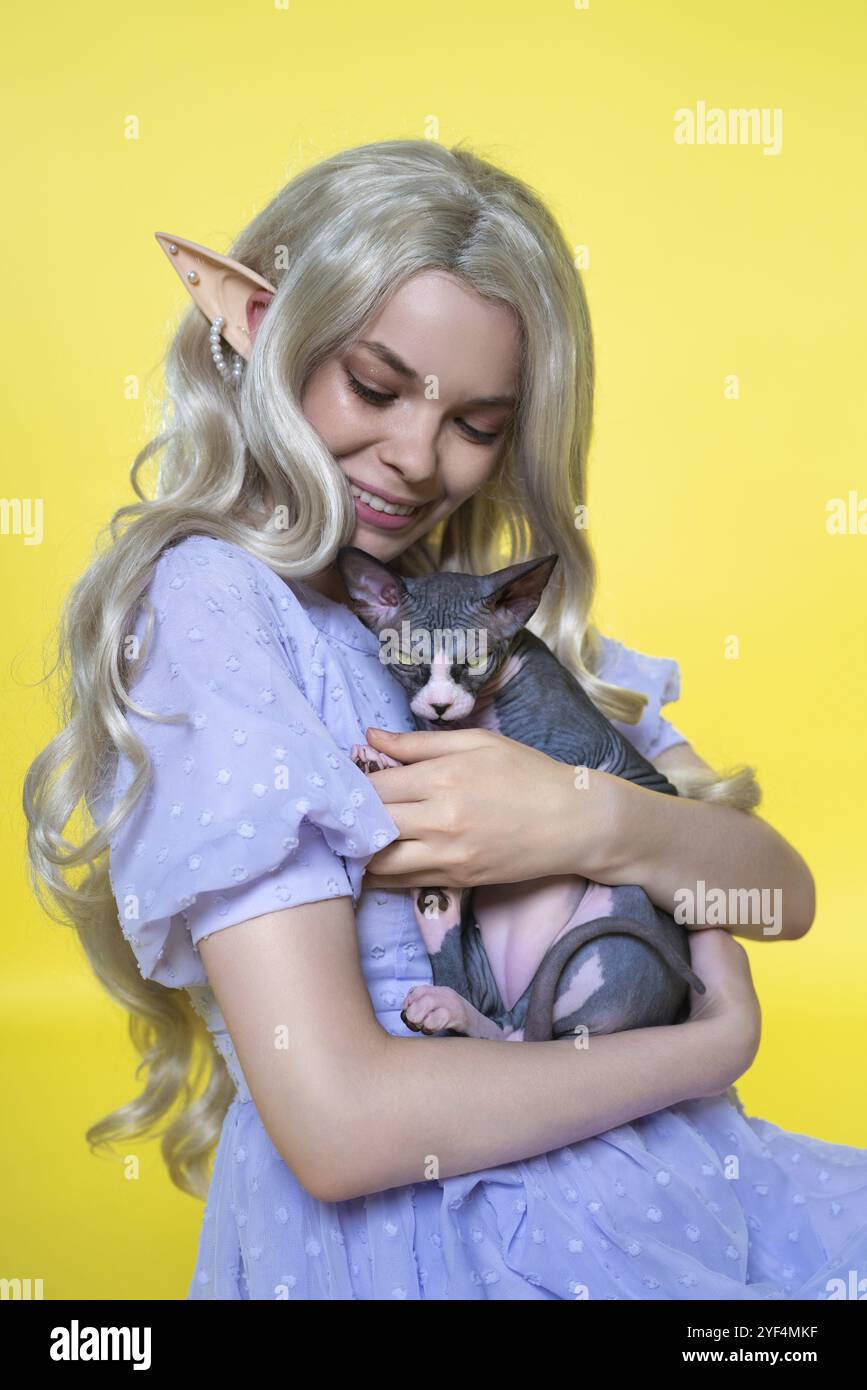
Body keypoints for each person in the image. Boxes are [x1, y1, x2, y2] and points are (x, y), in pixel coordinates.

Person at [24, 139, 867, 1300]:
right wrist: (707, 1048)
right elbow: (340, 1126)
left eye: (476, 423)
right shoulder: (219, 606)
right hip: (438, 1251)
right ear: (268, 335)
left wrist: (589, 820)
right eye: (374, 387)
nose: (417, 457)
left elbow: (779, 894)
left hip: (675, 1193)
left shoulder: (475, 621)